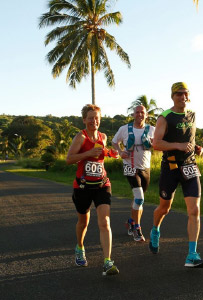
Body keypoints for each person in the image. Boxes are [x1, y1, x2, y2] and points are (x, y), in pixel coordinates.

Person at [149, 82, 203, 268]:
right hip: (171, 167)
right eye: (178, 94)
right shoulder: (165, 117)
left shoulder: (192, 115)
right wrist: (178, 146)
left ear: (189, 96)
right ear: (172, 96)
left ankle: (192, 254)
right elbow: (157, 144)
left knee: (194, 210)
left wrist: (196, 148)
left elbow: (189, 138)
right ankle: (156, 230)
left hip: (190, 166)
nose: (182, 97)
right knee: (164, 208)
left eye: (185, 94)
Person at [66, 104, 119, 276]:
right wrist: (88, 153)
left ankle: (107, 261)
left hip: (102, 184)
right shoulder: (80, 137)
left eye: (96, 118)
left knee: (105, 221)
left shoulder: (103, 136)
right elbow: (69, 159)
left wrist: (112, 153)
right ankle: (80, 247)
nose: (93, 121)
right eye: (90, 118)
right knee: (84, 222)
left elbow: (102, 155)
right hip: (83, 186)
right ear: (84, 120)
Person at [112, 105, 155, 242]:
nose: (140, 114)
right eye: (137, 112)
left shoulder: (152, 130)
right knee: (139, 198)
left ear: (146, 115)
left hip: (145, 168)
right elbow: (114, 142)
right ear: (133, 114)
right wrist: (120, 152)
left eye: (142, 112)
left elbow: (158, 144)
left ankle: (131, 221)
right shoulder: (124, 129)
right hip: (129, 166)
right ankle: (137, 228)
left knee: (139, 201)